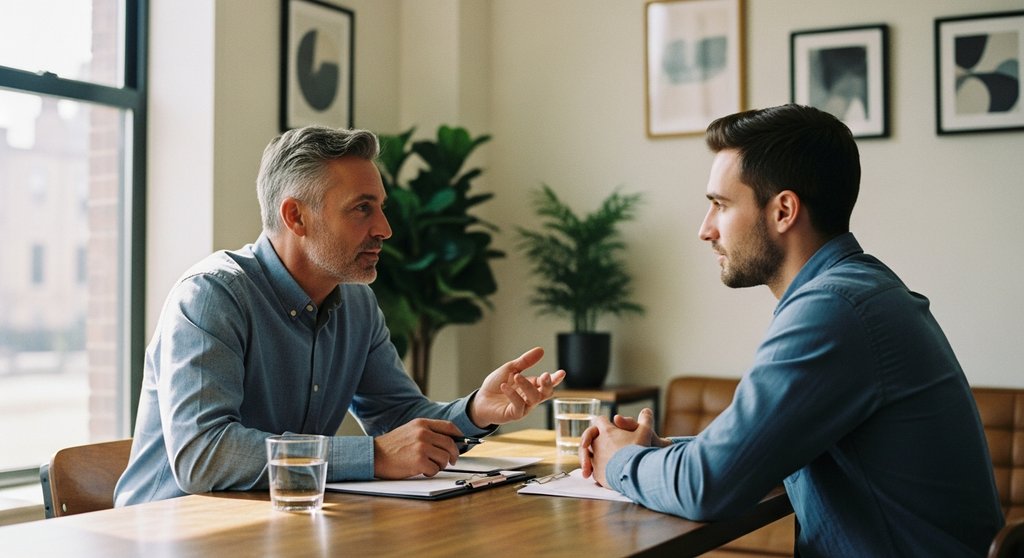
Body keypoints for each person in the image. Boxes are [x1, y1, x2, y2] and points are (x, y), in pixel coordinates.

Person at [579, 104, 1004, 556]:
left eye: (720, 205)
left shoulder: (834, 310)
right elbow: (755, 453)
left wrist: (620, 460)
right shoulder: (859, 291)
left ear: (783, 210)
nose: (705, 230)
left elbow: (709, 486)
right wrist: (659, 451)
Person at [114, 126, 565, 506]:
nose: (385, 229)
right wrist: (375, 456)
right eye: (362, 208)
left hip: (279, 527)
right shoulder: (211, 296)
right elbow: (203, 456)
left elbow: (399, 418)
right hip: (164, 534)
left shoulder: (357, 304)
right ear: (296, 217)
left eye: (381, 208)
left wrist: (476, 410)